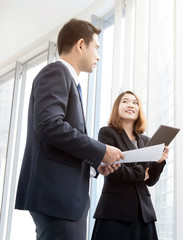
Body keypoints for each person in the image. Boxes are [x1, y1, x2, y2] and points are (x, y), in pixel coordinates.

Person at [15, 18, 124, 240]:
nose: (98, 56)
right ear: (81, 45)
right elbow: (49, 125)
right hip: (57, 198)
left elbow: (60, 138)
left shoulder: (67, 80)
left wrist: (96, 164)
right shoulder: (57, 72)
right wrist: (100, 150)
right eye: (96, 48)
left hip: (61, 199)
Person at [92, 91, 168, 240]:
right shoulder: (107, 133)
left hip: (143, 213)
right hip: (115, 211)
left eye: (135, 103)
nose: (130, 105)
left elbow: (150, 180)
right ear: (117, 107)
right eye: (125, 101)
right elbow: (113, 169)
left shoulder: (146, 140)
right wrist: (142, 173)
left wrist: (159, 162)